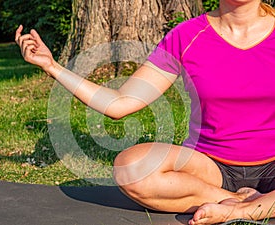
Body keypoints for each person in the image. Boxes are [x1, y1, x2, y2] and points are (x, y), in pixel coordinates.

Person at [15, 0, 275, 224]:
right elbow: (120, 103)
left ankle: (244, 211)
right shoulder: (187, 36)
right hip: (209, 168)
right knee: (131, 167)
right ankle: (237, 201)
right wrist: (52, 67)